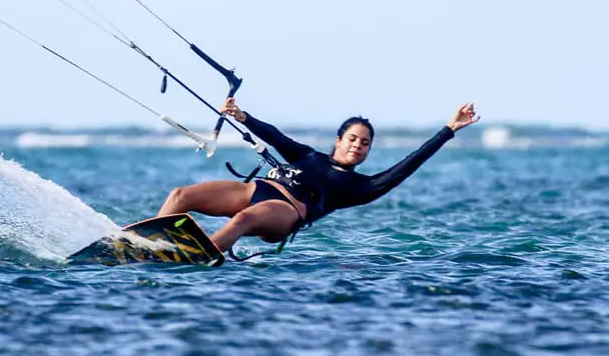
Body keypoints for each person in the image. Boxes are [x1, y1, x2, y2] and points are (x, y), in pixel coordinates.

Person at [157, 100, 480, 253]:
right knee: (181, 196)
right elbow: (277, 137)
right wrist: (244, 117)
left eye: (365, 143)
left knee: (242, 220)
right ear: (339, 140)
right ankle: (146, 242)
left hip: (287, 211)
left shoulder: (361, 187)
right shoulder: (308, 156)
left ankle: (198, 258)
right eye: (352, 139)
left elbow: (409, 164)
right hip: (259, 188)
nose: (358, 146)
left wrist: (448, 130)